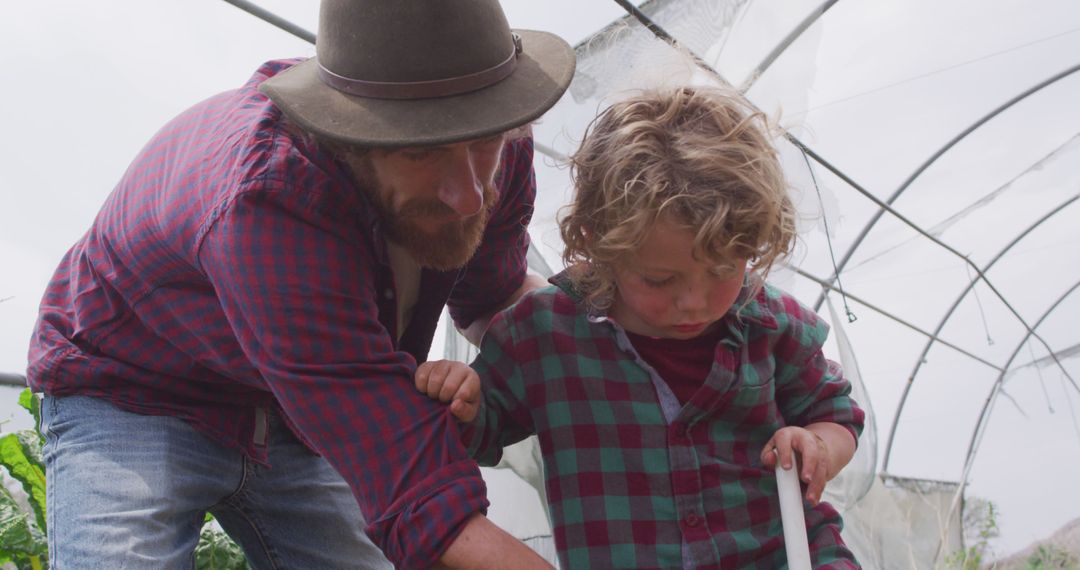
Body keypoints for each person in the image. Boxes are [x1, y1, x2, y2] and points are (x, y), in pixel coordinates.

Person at [26, 0, 574, 568]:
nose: (468, 195)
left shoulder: (498, 145)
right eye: (422, 151)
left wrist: (602, 351)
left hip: (292, 408)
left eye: (483, 142)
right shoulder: (269, 197)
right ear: (350, 139)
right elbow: (419, 494)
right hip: (132, 390)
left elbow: (493, 298)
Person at [416, 86, 866, 568]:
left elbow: (837, 414)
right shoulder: (542, 335)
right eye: (659, 279)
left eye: (722, 272)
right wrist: (463, 402)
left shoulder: (772, 323)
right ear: (598, 245)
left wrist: (817, 444)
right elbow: (485, 429)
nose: (694, 301)